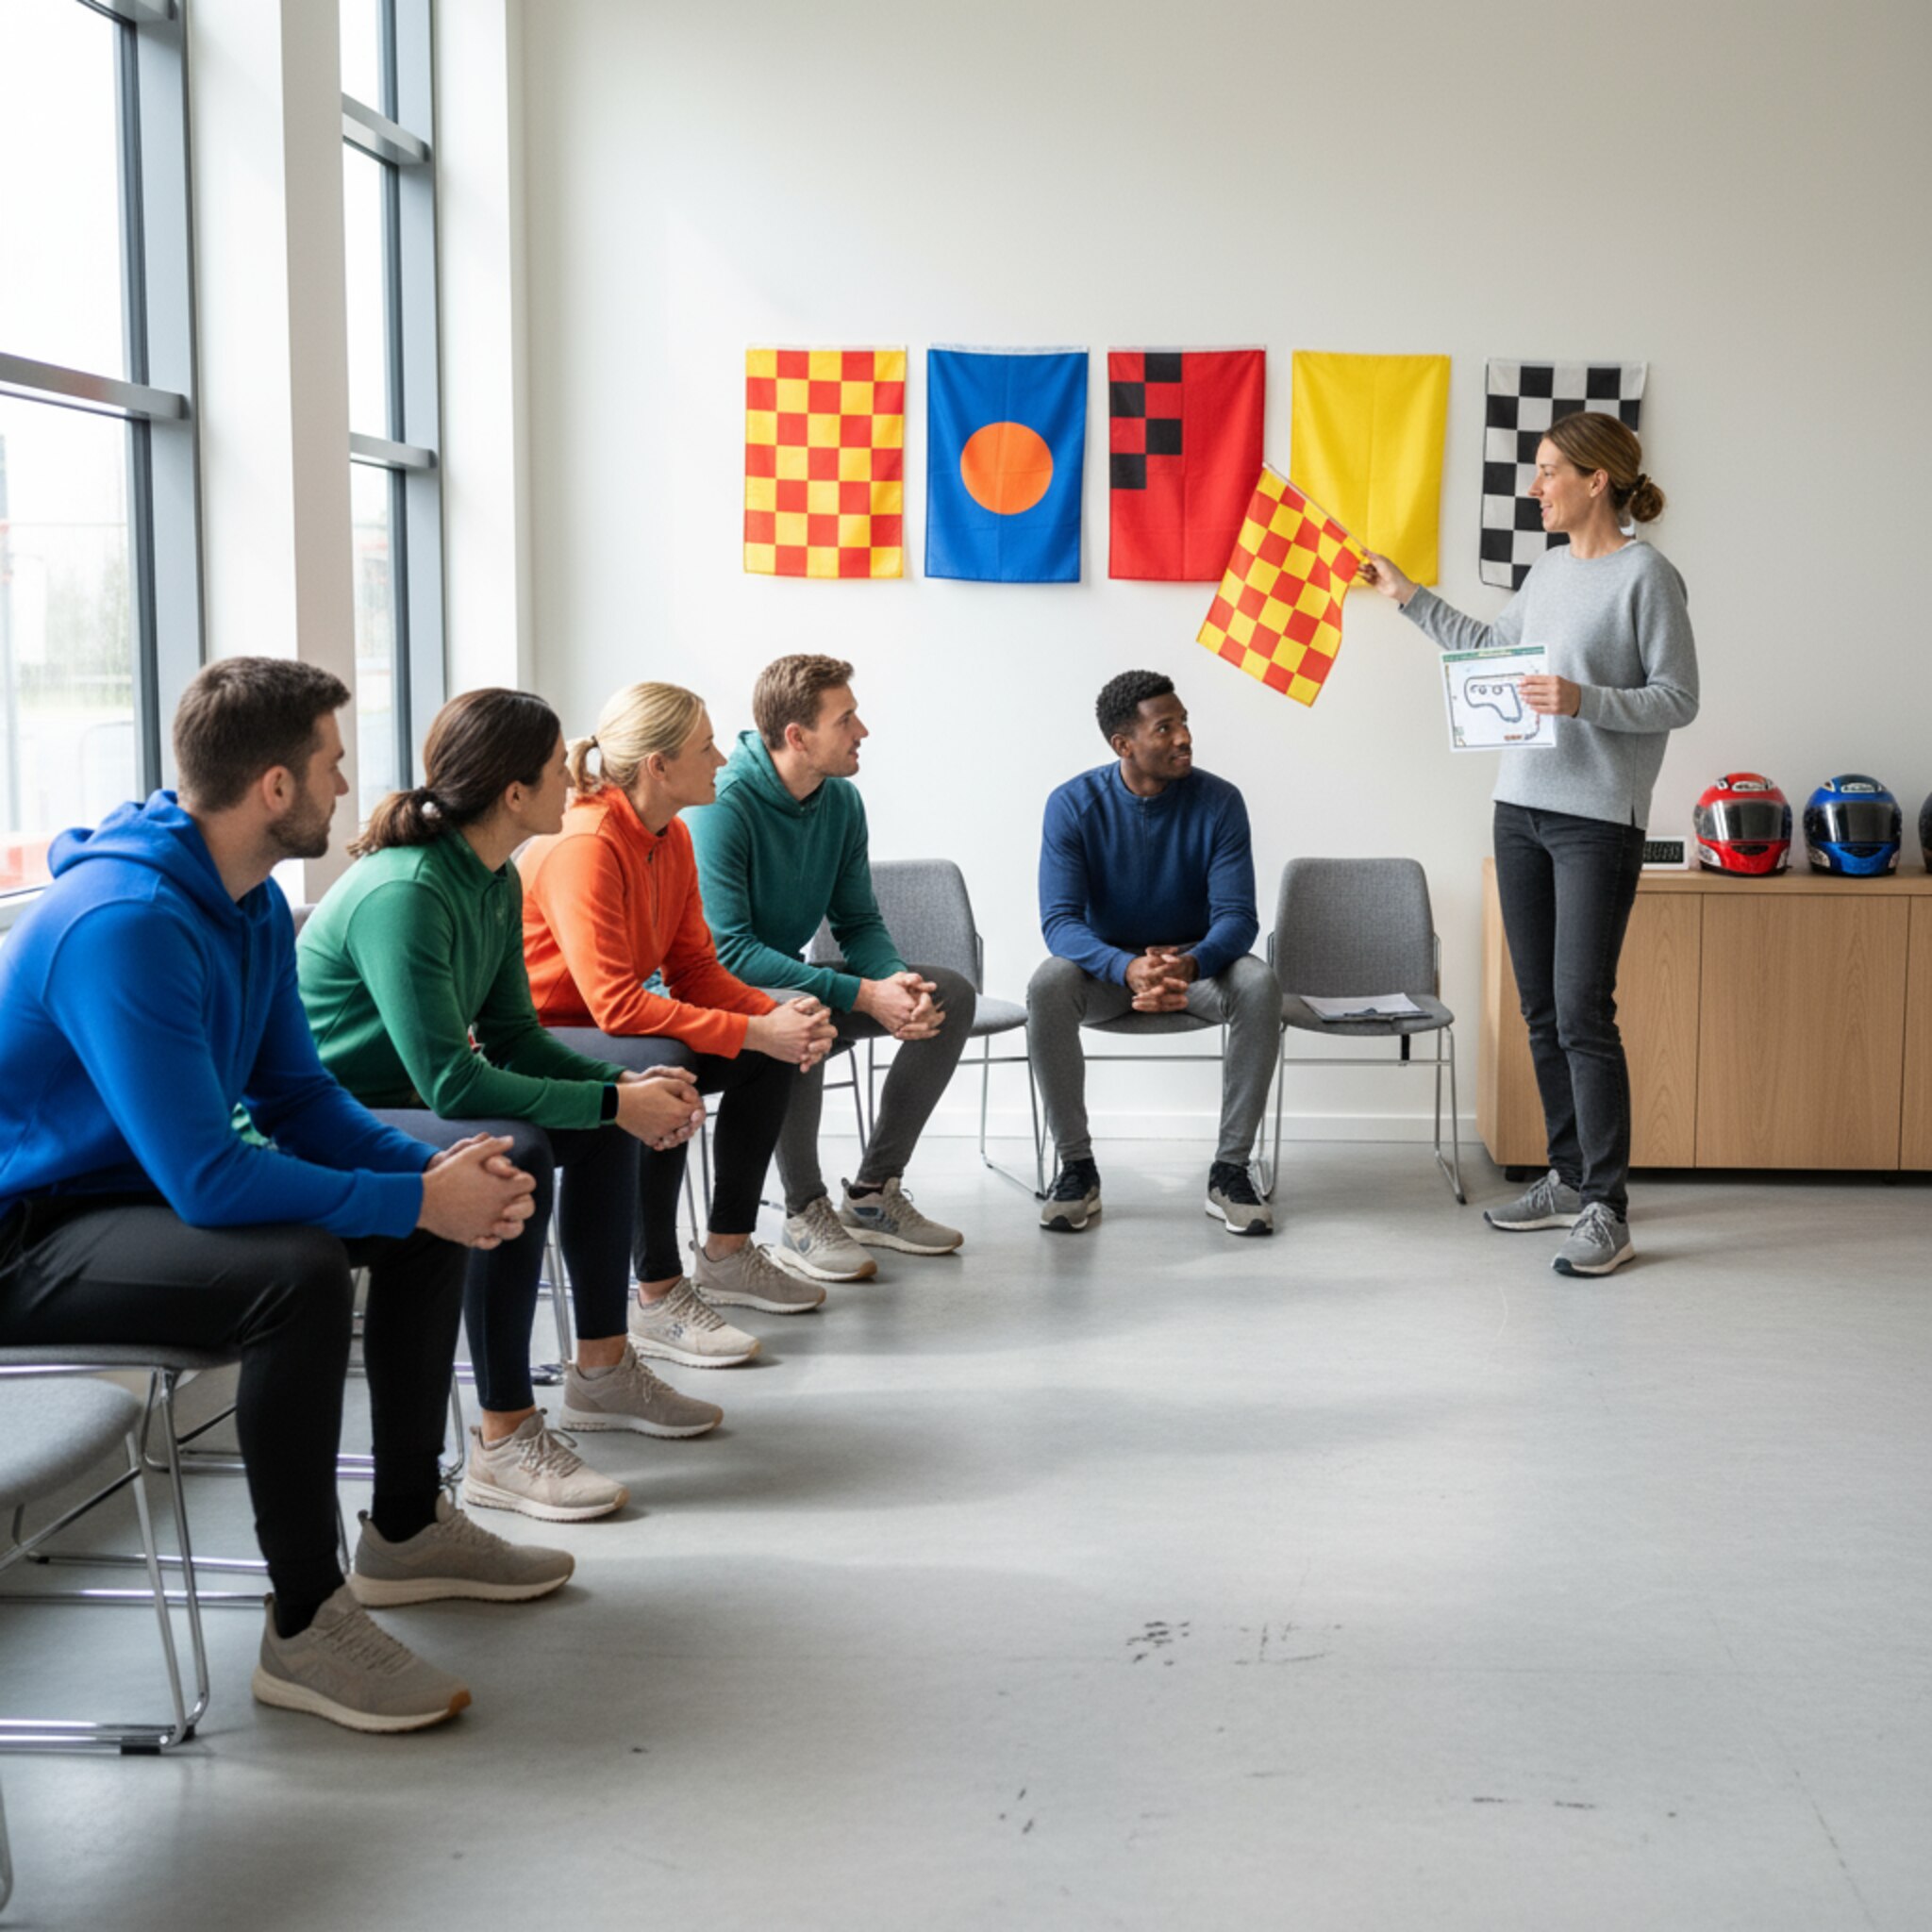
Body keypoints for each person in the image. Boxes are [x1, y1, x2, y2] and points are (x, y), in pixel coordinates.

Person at [0, 658, 556, 1735]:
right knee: (298, 1273)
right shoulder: (125, 923)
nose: (347, 784)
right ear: (272, 787)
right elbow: (210, 1176)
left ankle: (405, 1526)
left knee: (415, 1202)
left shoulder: (247, 900)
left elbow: (298, 1097)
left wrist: (427, 1183)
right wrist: (410, 1199)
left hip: (129, 1196)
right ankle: (305, 1623)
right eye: (330, 763)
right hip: (29, 1230)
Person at [298, 689, 718, 1525]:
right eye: (560, 767)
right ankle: (502, 1437)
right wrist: (608, 1100)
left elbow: (517, 1038)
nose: (576, 776)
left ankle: (599, 1371)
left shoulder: (488, 877)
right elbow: (454, 1084)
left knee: (596, 1120)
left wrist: (617, 1097)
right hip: (334, 1117)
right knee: (517, 1147)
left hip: (408, 1098)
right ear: (514, 794)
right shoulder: (407, 892)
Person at [1360, 411, 1698, 1277]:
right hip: (1520, 810)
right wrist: (1406, 596)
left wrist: (1585, 700)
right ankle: (1566, 1174)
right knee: (1542, 1009)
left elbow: (1677, 698)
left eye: (1549, 471)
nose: (1536, 485)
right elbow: (1490, 651)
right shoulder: (1547, 571)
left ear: (1596, 480)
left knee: (1584, 1010)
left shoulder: (1648, 578)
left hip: (1597, 821)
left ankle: (1607, 1209)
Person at [519, 680, 839, 1357]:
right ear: (658, 766)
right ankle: (657, 1293)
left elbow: (695, 971)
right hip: (540, 1033)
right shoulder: (588, 845)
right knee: (661, 1059)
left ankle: (726, 1252)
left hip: (606, 1021)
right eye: (705, 747)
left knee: (765, 1048)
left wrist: (776, 1016)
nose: (722, 758)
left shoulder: (672, 837)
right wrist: (758, 1025)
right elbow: (616, 1005)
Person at [687, 655, 974, 1283]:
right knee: (800, 1011)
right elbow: (728, 951)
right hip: (712, 990)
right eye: (846, 719)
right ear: (797, 736)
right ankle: (804, 1212)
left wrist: (895, 983)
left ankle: (872, 1193)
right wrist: (861, 993)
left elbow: (858, 922)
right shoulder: (720, 805)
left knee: (948, 991)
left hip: (784, 977)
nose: (862, 731)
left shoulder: (840, 801)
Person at [1028, 671, 1280, 1236]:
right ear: (1124, 745)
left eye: (1184, 722)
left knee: (1260, 983)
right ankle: (1076, 1168)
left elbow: (1238, 918)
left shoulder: (1220, 802)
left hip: (1200, 967)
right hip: (1108, 973)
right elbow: (1060, 923)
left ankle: (1231, 1170)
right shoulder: (1071, 805)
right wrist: (1128, 968)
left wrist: (1187, 966)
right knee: (1048, 983)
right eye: (1165, 728)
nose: (1184, 737)